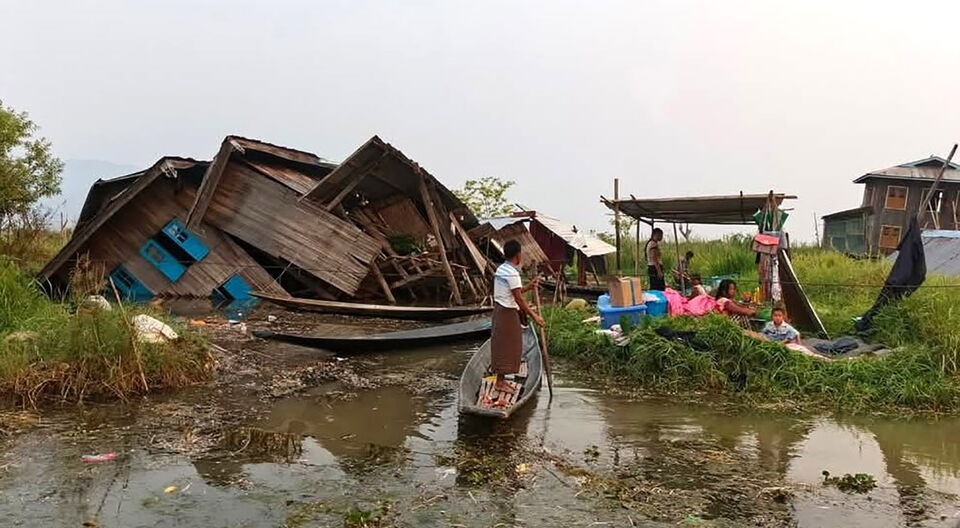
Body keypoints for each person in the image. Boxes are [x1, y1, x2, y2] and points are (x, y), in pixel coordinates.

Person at [491, 240, 545, 394]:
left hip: (500, 311)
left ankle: (500, 380)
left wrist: (529, 286)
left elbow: (514, 292)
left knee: (503, 345)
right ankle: (500, 383)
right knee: (509, 346)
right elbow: (519, 299)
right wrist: (535, 317)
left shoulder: (502, 269)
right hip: (507, 313)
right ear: (518, 255)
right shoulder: (512, 273)